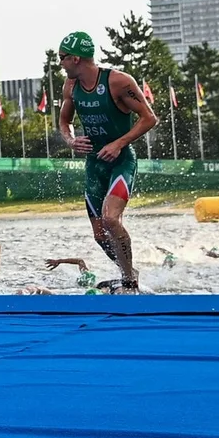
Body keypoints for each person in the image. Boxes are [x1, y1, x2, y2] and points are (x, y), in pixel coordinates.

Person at [57, 31, 159, 294]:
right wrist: (70, 141)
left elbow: (149, 118)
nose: (60, 63)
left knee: (111, 219)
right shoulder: (70, 87)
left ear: (76, 59)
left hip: (121, 161)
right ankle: (129, 271)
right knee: (100, 234)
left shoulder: (119, 82)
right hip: (94, 165)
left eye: (62, 58)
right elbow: (64, 122)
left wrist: (119, 143)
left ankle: (128, 279)